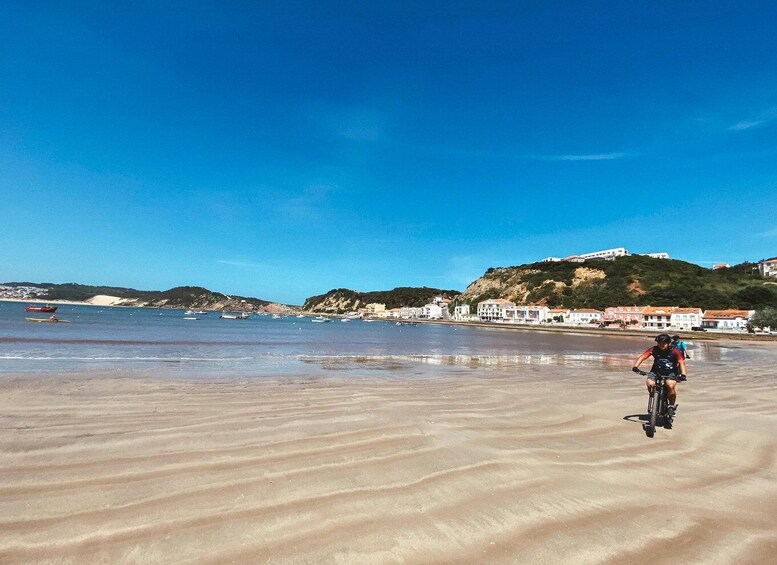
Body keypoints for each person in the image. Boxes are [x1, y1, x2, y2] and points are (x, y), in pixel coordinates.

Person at [632, 333, 687, 416]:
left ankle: (671, 406)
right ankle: (654, 396)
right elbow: (643, 356)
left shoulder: (675, 351)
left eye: (663, 343)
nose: (661, 345)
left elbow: (681, 362)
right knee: (650, 383)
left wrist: (683, 374)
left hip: (671, 372)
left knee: (670, 385)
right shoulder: (654, 349)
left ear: (668, 343)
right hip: (655, 371)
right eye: (659, 343)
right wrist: (636, 366)